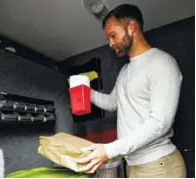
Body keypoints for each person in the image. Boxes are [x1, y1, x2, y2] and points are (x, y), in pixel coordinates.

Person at [77, 4, 186, 178]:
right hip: (133, 166)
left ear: (132, 27)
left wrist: (110, 149)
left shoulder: (161, 63)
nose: (111, 43)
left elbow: (160, 122)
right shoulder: (125, 72)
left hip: (159, 166)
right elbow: (112, 103)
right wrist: (82, 90)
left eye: (113, 35)